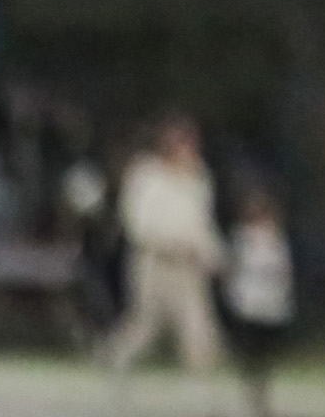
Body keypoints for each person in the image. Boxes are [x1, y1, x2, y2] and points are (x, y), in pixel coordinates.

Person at [102, 112, 225, 372]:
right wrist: (173, 243)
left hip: (187, 267)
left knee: (199, 330)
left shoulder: (199, 179)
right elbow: (138, 223)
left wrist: (214, 254)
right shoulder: (147, 176)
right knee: (145, 324)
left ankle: (200, 385)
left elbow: (202, 224)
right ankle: (111, 363)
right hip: (153, 263)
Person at [223, 180, 296, 417]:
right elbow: (232, 270)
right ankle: (250, 398)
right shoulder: (242, 239)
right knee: (250, 357)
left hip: (270, 308)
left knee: (265, 357)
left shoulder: (276, 239)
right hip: (249, 306)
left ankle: (261, 398)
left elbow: (283, 274)